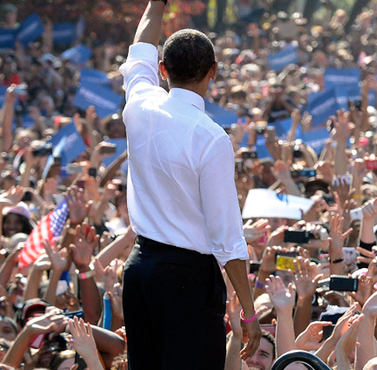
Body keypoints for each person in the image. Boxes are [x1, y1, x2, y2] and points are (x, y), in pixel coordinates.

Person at [119, 0, 261, 368]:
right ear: (214, 71)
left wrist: (157, 4)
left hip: (140, 271)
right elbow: (227, 238)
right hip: (187, 280)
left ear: (163, 70)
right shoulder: (210, 137)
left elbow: (141, 46)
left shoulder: (139, 104)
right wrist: (248, 313)